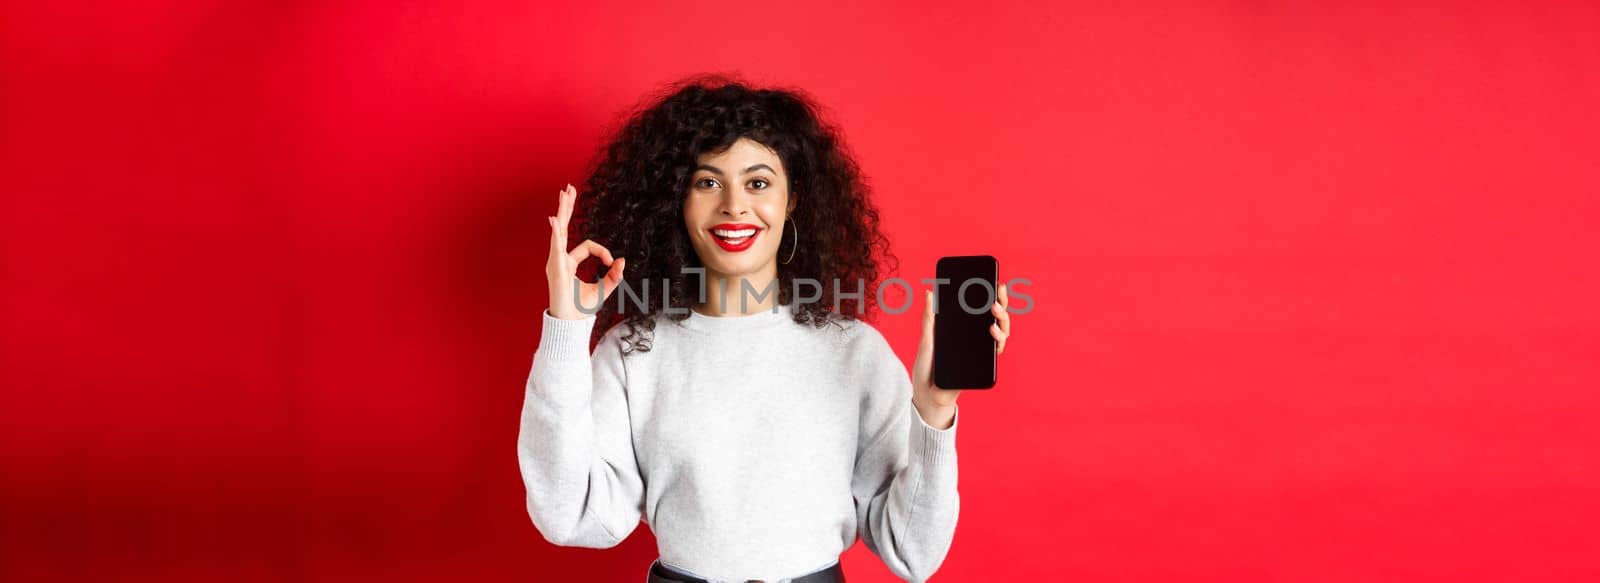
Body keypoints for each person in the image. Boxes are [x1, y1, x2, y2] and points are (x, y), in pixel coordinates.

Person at [517, 75, 1014, 583]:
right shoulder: (632, 352)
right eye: (708, 182)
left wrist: (934, 410)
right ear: (679, 202)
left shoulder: (855, 353)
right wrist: (566, 331)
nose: (734, 205)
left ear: (793, 199)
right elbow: (570, 514)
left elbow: (914, 552)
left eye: (758, 182)